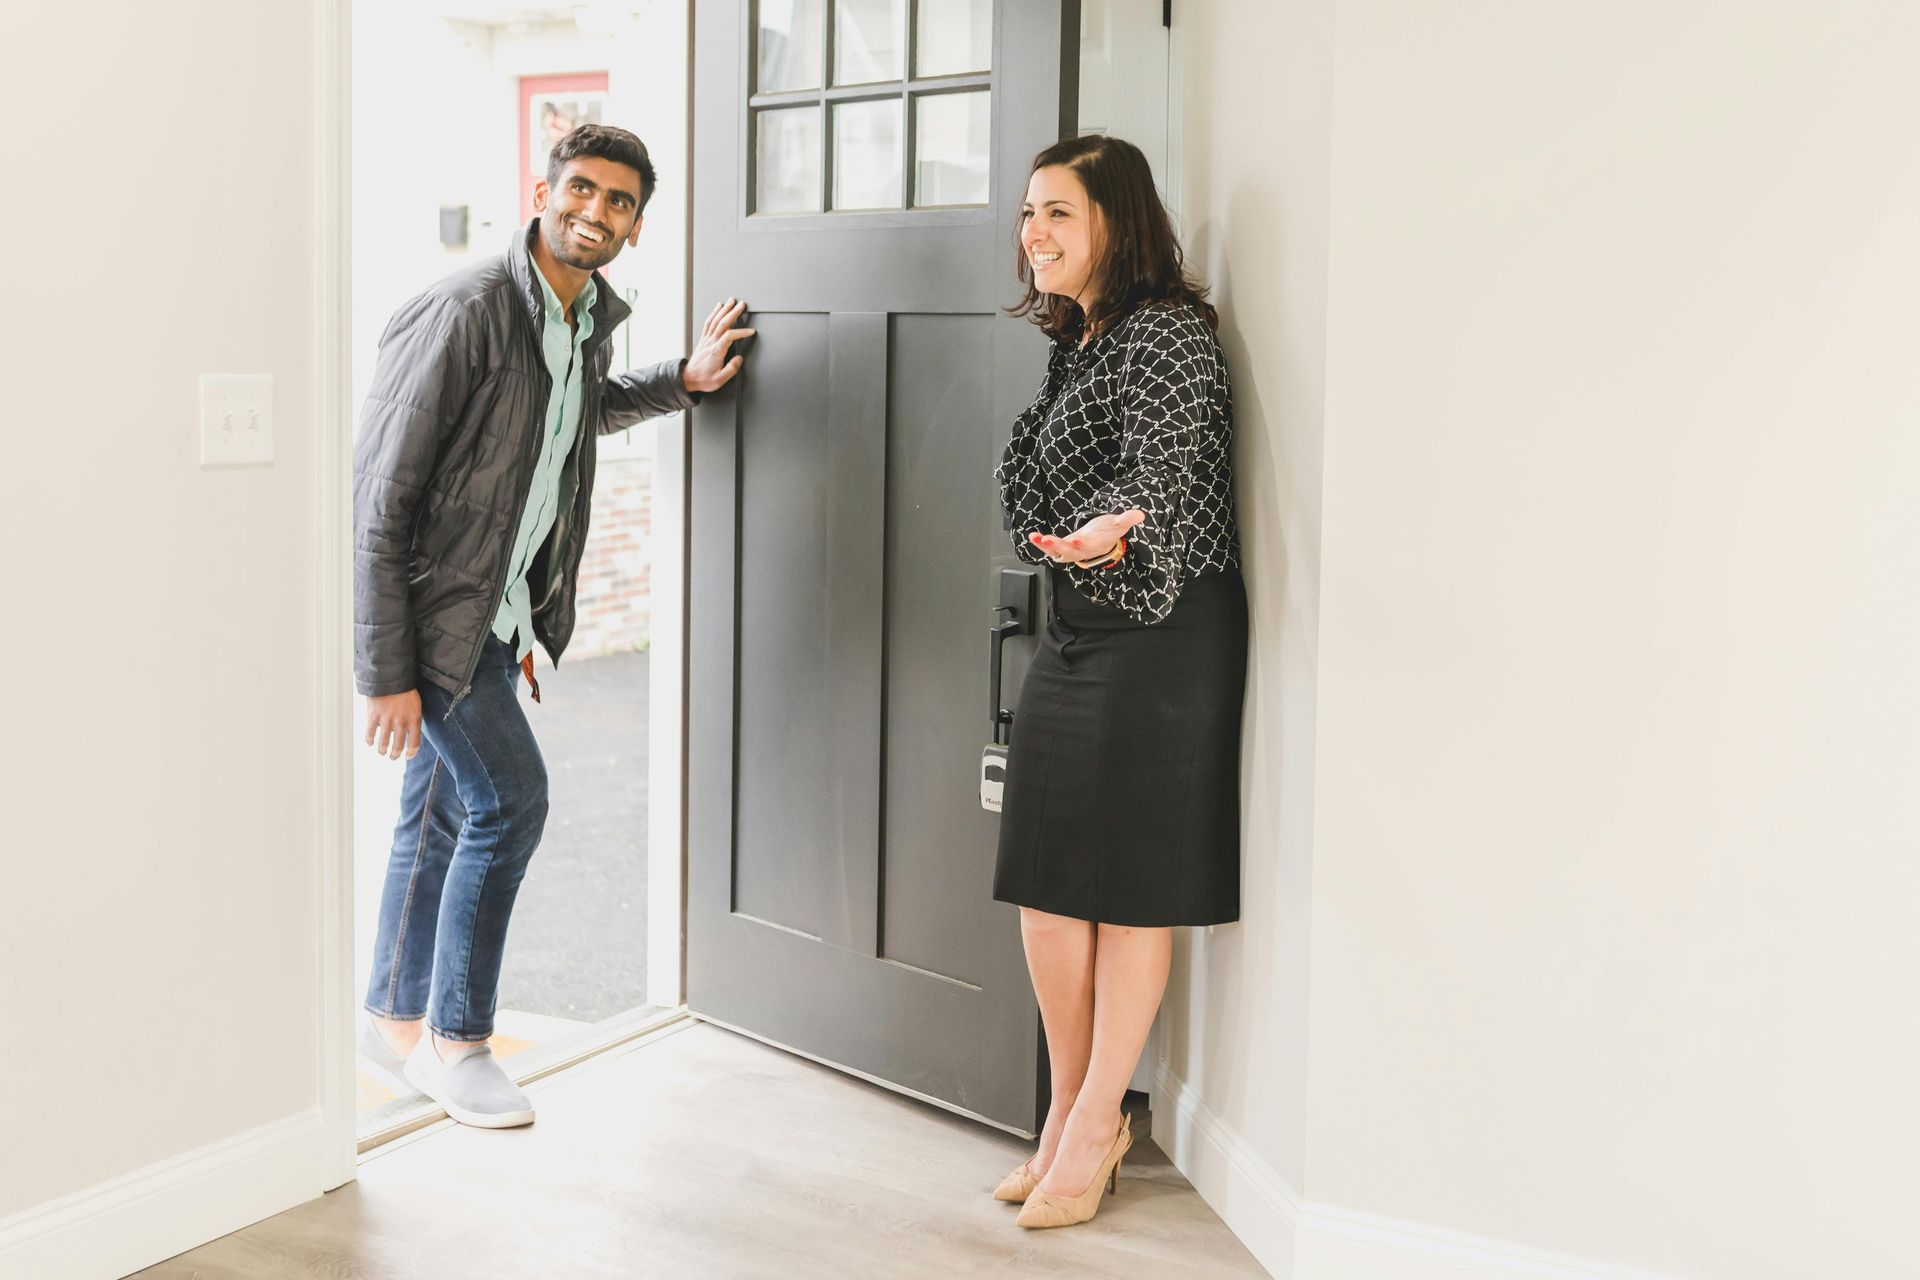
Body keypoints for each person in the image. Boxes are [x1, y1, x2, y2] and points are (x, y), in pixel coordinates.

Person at [352, 124, 754, 1128]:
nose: (597, 212)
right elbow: (378, 497)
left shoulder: (579, 317)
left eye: (620, 201)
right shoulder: (467, 308)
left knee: (438, 810)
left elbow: (573, 413)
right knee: (510, 800)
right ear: (541, 189)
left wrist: (684, 380)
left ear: (636, 222)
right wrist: (385, 669)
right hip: (438, 620)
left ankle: (393, 1023)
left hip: (495, 610)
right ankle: (459, 1038)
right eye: (582, 189)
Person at [990, 133, 1247, 1228]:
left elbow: (1162, 470)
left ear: (1115, 222)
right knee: (1049, 885)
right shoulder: (1080, 340)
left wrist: (1111, 531)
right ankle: (1064, 1110)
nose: (1032, 233)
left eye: (1057, 212)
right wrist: (1076, 542)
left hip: (1167, 627)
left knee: (1132, 886)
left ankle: (1097, 1121)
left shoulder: (1170, 337)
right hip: (1081, 624)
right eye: (1028, 214)